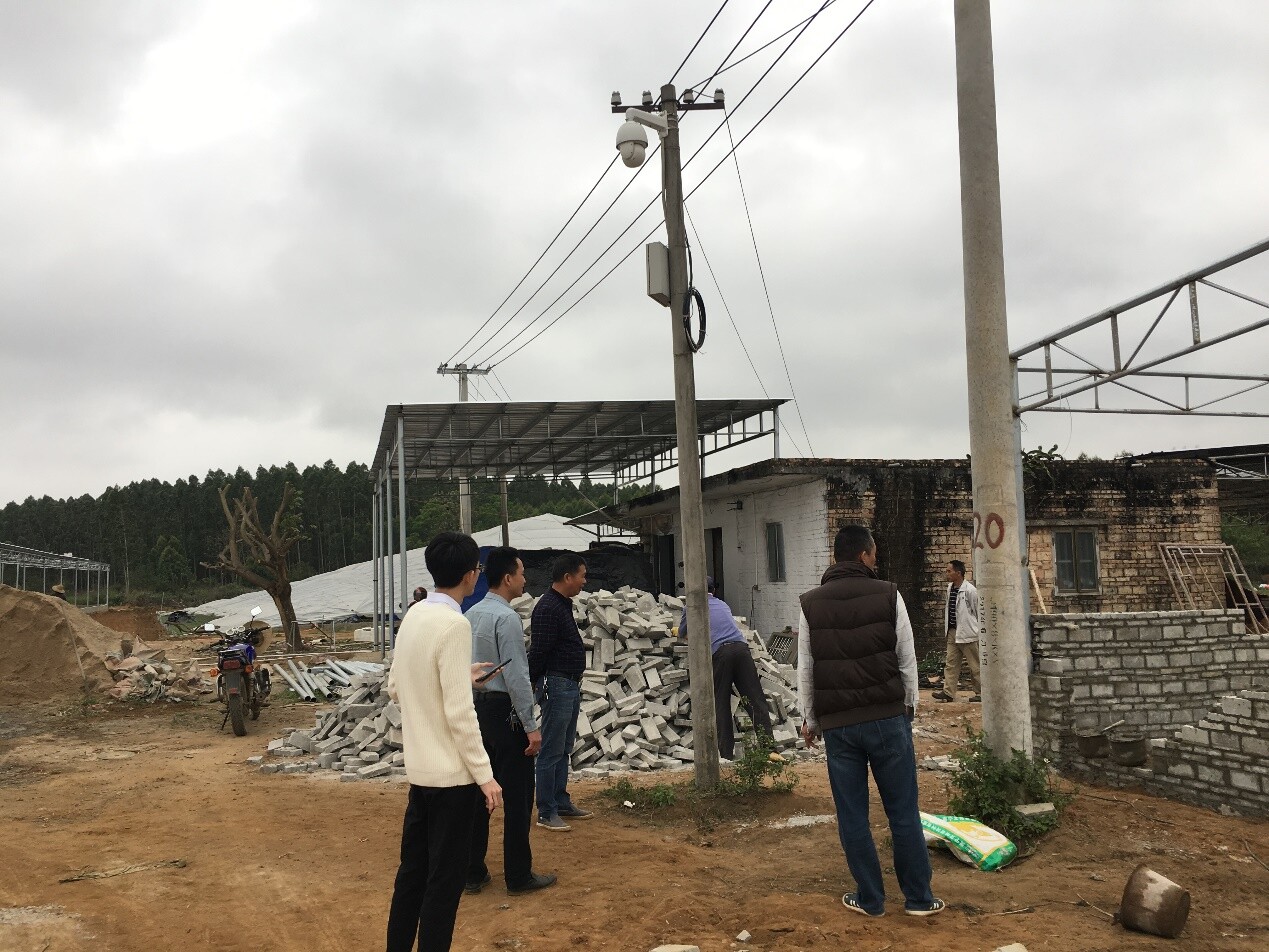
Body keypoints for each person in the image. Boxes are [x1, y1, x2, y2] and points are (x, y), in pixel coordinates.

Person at [797, 524, 944, 919]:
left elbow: (806, 667)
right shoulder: (889, 594)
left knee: (853, 816)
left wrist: (810, 720)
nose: (876, 558)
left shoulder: (810, 603)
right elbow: (906, 658)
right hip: (887, 719)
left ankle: (870, 899)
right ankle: (919, 899)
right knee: (903, 812)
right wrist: (908, 707)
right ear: (864, 554)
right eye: (874, 552)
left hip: (839, 727)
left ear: (835, 557)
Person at [385, 532, 503, 952]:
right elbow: (459, 713)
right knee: (444, 883)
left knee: (412, 875)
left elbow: (396, 686)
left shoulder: (415, 614)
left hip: (421, 773)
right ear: (471, 574)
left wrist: (457, 675)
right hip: (453, 779)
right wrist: (485, 775)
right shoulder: (455, 623)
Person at [466, 547, 556, 895]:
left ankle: (472, 872)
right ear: (507, 578)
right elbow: (516, 676)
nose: (524, 580)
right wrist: (531, 726)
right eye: (521, 573)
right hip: (506, 713)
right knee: (518, 797)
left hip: (476, 712)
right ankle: (518, 875)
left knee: (479, 792)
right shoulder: (506, 619)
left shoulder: (470, 614)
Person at [679, 576, 780, 762]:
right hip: (742, 650)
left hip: (721, 654)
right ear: (714, 591)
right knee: (755, 699)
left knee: (721, 702)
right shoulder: (723, 605)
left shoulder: (690, 608)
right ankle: (769, 748)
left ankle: (726, 753)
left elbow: (683, 634)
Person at [527, 552, 592, 832]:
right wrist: (531, 683)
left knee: (563, 748)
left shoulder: (561, 605)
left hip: (569, 684)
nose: (584, 582)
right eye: (582, 576)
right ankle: (546, 810)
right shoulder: (548, 608)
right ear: (567, 577)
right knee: (551, 750)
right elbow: (538, 652)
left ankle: (560, 801)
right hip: (556, 684)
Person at [933, 560, 981, 703]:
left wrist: (976, 630)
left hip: (968, 633)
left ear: (958, 573)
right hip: (953, 631)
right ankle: (948, 692)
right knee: (951, 663)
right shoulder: (950, 588)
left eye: (949, 571)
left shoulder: (970, 590)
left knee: (975, 665)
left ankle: (981, 692)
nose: (947, 574)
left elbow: (977, 611)